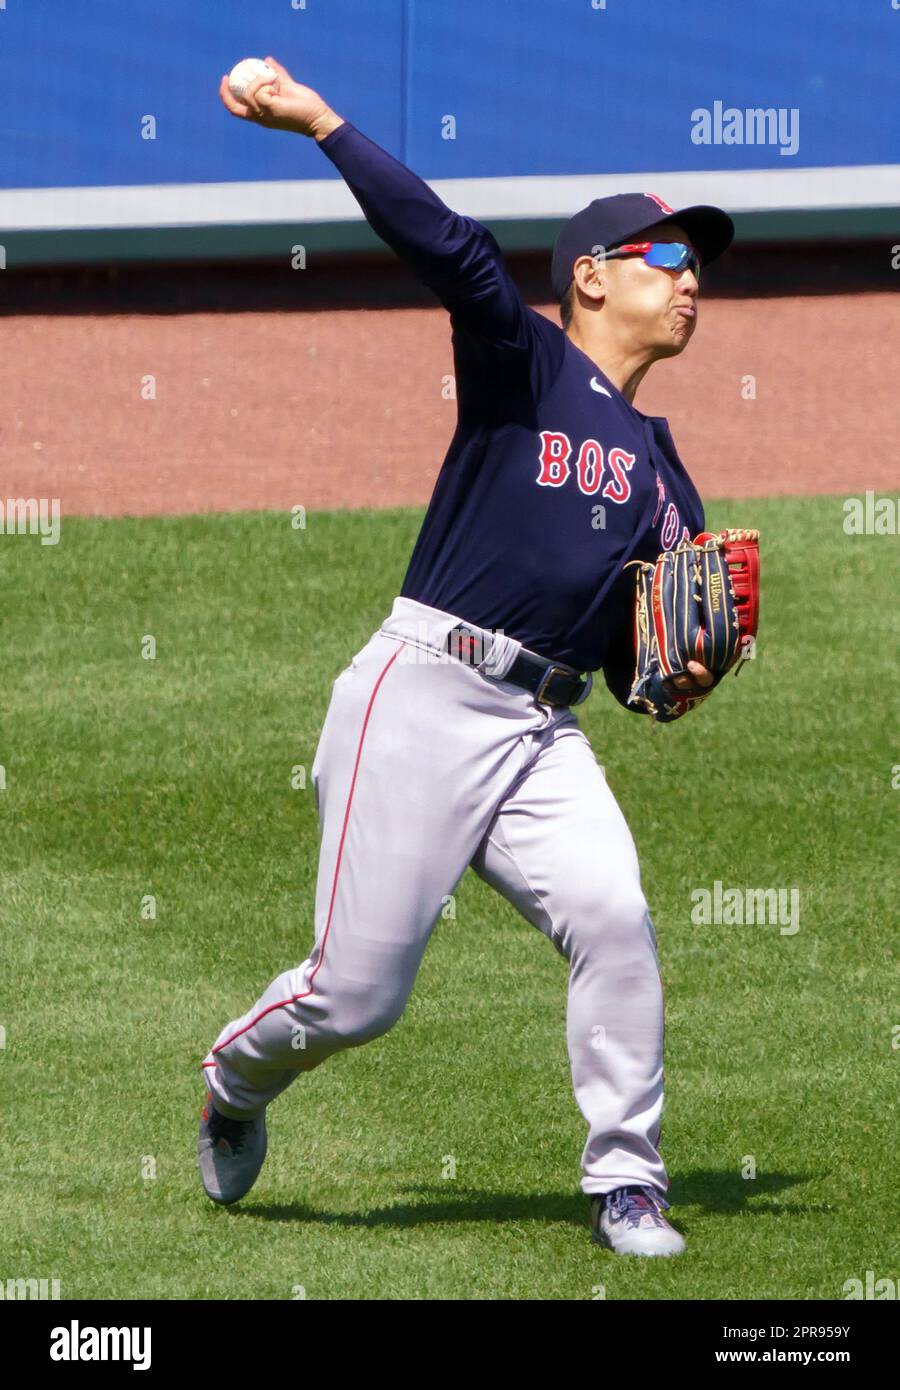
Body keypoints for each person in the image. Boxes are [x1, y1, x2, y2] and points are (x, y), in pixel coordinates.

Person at [198, 56, 735, 1257]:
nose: (692, 277)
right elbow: (454, 250)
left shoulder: (666, 478)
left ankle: (628, 1181)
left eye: (699, 263)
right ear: (590, 277)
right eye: (667, 256)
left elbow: (620, 654)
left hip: (542, 730)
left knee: (614, 914)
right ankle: (233, 1081)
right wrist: (320, 121)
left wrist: (669, 684)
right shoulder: (526, 364)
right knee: (357, 997)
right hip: (423, 693)